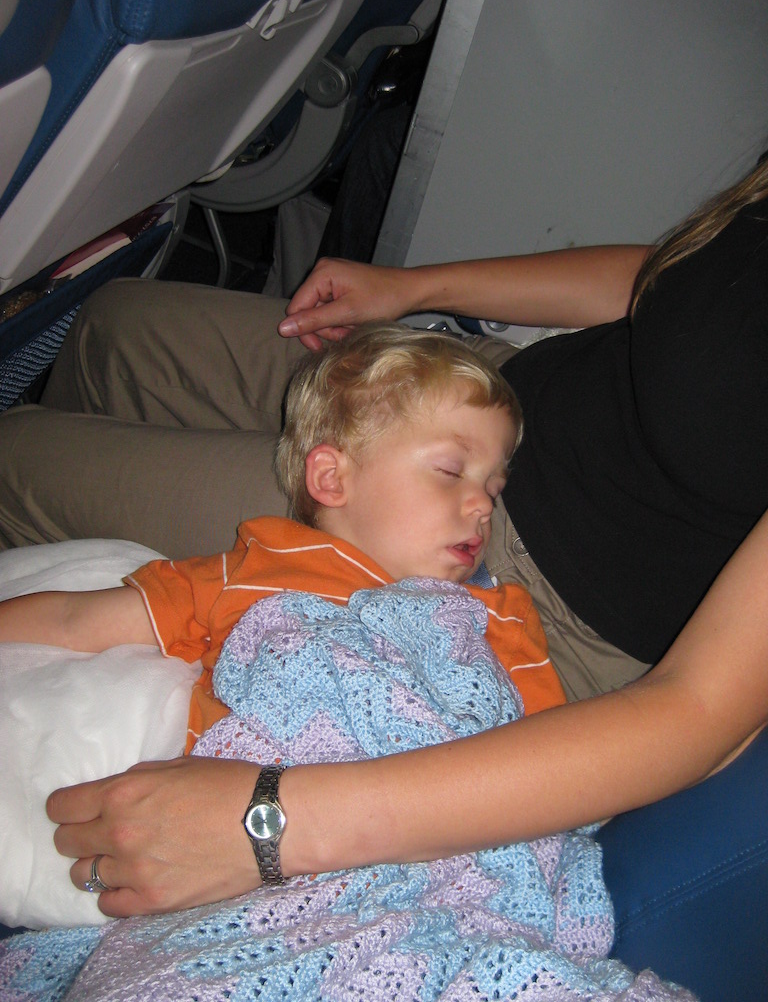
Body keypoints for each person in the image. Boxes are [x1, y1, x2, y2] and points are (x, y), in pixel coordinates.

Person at [0, 156, 766, 1000]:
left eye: (491, 492)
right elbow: (667, 283)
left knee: (23, 457)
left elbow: (695, 717)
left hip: (519, 569)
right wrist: (407, 288)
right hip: (480, 395)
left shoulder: (481, 620)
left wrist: (273, 823)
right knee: (116, 327)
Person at [0, 325, 565, 755]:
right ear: (332, 478)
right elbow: (75, 621)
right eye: (450, 471)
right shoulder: (254, 569)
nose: (484, 504)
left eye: (494, 485)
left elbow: (545, 767)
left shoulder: (500, 618)